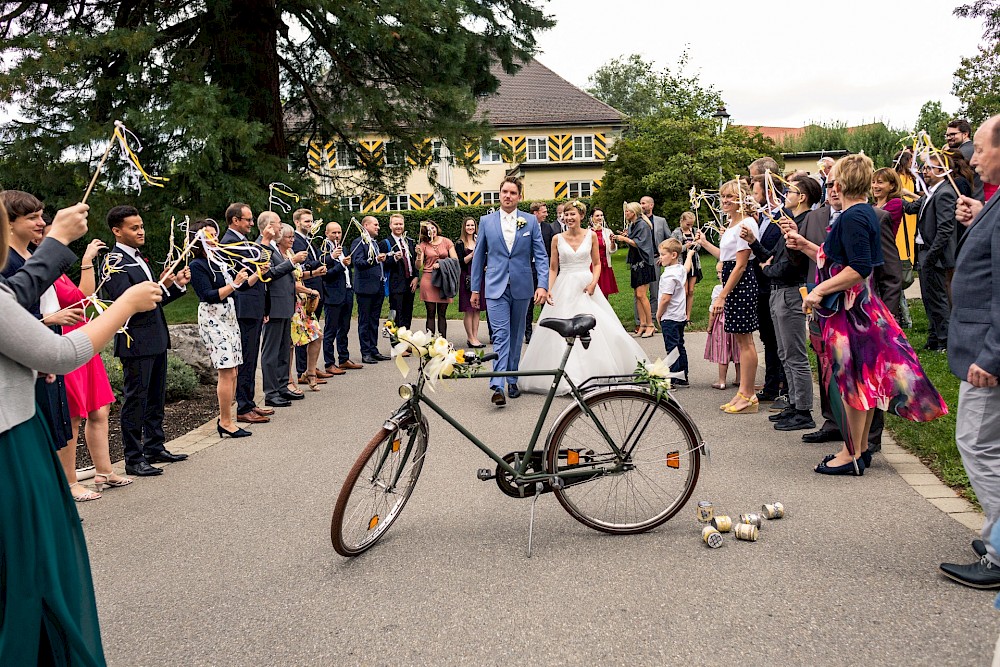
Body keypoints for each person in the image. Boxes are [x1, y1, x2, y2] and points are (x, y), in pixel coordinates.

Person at [0, 197, 163, 663]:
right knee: (33, 566)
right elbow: (58, 352)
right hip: (10, 443)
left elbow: (18, 301)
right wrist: (126, 306)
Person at [787, 154, 947, 475]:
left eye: (833, 180)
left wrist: (819, 291)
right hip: (858, 309)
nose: (830, 185)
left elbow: (859, 268)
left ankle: (851, 454)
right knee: (860, 383)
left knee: (851, 384)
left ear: (843, 183)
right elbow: (837, 257)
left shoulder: (853, 216)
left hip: (851, 313)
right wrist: (805, 244)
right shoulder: (859, 213)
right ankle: (857, 450)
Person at [940, 114, 1000, 588]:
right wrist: (980, 216)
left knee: (977, 444)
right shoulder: (995, 203)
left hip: (988, 355)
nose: (972, 159)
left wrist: (993, 356)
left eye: (979, 149)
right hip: (983, 346)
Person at [518, 200, 645, 395]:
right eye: (566, 215)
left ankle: (596, 372)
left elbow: (597, 264)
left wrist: (594, 282)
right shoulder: (557, 239)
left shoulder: (591, 236)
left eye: (572, 214)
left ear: (581, 216)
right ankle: (567, 376)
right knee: (559, 332)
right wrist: (548, 288)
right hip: (564, 284)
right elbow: (553, 267)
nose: (568, 218)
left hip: (586, 286)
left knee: (598, 328)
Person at [102, 205, 192, 477]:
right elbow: (125, 302)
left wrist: (174, 285)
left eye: (141, 226)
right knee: (136, 400)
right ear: (117, 231)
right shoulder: (114, 262)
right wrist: (157, 289)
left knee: (155, 397)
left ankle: (155, 445)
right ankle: (133, 457)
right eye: (134, 227)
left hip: (155, 338)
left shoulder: (141, 258)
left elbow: (154, 302)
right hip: (135, 341)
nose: (141, 231)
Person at [1, 191, 80, 495]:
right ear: (7, 223)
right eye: (32, 217)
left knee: (53, 433)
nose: (41, 222)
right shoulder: (6, 264)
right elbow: (10, 317)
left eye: (42, 215)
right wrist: (48, 323)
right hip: (25, 359)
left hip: (43, 355)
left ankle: (54, 493)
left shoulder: (31, 258)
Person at [742, 176, 816, 432]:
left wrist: (768, 269)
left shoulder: (805, 223)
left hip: (791, 291)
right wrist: (753, 241)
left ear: (803, 196)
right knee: (785, 353)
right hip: (777, 292)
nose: (786, 194)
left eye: (791, 190)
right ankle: (794, 404)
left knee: (795, 355)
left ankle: (803, 409)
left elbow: (791, 264)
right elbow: (770, 255)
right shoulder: (790, 221)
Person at [470, 176, 548, 406]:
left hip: (522, 285)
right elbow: (478, 257)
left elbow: (541, 256)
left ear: (519, 197)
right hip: (495, 286)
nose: (508, 196)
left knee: (516, 336)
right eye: (504, 191)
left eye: (513, 193)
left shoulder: (530, 222)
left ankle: (512, 378)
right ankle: (498, 385)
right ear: (500, 193)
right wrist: (475, 288)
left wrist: (542, 285)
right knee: (501, 335)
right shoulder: (486, 221)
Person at [694, 179, 760, 415]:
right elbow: (726, 256)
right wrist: (705, 244)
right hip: (733, 282)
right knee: (741, 341)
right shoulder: (733, 223)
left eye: (730, 197)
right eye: (723, 196)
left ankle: (748, 394)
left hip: (740, 284)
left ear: (742, 199)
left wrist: (722, 295)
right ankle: (743, 391)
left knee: (745, 342)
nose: (725, 201)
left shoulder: (747, 224)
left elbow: (740, 265)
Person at [187, 219, 252, 438]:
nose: (215, 238)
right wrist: (234, 283)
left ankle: (228, 418)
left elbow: (237, 288)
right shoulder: (197, 265)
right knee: (226, 370)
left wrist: (251, 275)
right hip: (213, 318)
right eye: (209, 235)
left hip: (229, 315)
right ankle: (225, 421)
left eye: (215, 234)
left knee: (233, 369)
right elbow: (208, 295)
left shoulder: (219, 260)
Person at [221, 202, 272, 425]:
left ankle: (249, 402)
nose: (252, 223)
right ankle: (242, 406)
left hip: (254, 306)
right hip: (244, 306)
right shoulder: (229, 243)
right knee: (246, 358)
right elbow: (240, 277)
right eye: (248, 220)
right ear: (235, 220)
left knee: (251, 358)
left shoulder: (241, 241)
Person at [903, 153, 958, 352]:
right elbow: (910, 208)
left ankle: (945, 340)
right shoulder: (930, 192)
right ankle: (934, 337)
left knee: (938, 298)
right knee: (928, 297)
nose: (924, 172)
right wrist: (894, 193)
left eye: (929, 168)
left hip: (935, 255)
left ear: (942, 171)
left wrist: (931, 256)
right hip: (924, 251)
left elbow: (945, 230)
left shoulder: (944, 193)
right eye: (924, 168)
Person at [260, 219, 307, 406]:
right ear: (268, 226)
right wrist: (292, 262)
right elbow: (268, 274)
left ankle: (281, 387)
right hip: (273, 306)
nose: (281, 226)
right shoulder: (263, 247)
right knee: (271, 352)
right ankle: (270, 393)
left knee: (283, 350)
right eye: (278, 223)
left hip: (285, 305)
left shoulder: (276, 248)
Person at [291, 208, 329, 385]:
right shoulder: (296, 241)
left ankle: (310, 368)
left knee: (312, 331)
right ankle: (302, 370)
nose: (310, 224)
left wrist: (318, 268)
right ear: (297, 222)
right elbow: (303, 264)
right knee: (303, 333)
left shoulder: (310, 240)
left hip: (315, 287)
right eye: (306, 221)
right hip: (305, 290)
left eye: (311, 221)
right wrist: (315, 267)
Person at [320, 221, 359, 374]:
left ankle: (343, 358)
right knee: (331, 330)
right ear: (326, 234)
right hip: (333, 295)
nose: (337, 235)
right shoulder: (323, 252)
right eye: (333, 233)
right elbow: (326, 275)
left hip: (347, 292)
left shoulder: (344, 249)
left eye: (339, 232)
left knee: (345, 328)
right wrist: (340, 264)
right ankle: (329, 363)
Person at [288, 227, 324, 392]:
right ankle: (289, 379)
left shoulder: (290, 253)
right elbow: (289, 282)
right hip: (292, 303)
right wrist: (309, 291)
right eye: (289, 237)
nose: (292, 240)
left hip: (303, 305)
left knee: (317, 336)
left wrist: (314, 273)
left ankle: (310, 373)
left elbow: (299, 275)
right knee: (291, 343)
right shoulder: (284, 256)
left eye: (292, 237)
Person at [613, 202, 655, 338]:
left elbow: (639, 243)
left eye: (627, 211)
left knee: (642, 295)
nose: (625, 214)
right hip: (636, 262)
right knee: (637, 295)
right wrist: (626, 236)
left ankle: (650, 325)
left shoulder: (642, 224)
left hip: (644, 263)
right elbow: (633, 239)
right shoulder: (633, 225)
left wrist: (624, 238)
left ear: (634, 212)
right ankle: (642, 324)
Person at [351, 216, 390, 364]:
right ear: (365, 225)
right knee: (365, 321)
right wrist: (375, 260)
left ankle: (374, 349)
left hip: (378, 286)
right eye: (375, 224)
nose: (378, 227)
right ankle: (365, 352)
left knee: (374, 321)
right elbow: (358, 263)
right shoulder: (359, 242)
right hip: (365, 288)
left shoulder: (374, 243)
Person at [655, 238, 693, 388]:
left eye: (663, 254)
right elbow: (687, 268)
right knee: (679, 346)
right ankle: (683, 377)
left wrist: (658, 314)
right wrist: (689, 255)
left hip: (669, 316)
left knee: (672, 348)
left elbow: (665, 298)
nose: (660, 257)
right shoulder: (679, 270)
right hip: (680, 316)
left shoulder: (668, 276)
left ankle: (674, 378)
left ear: (674, 255)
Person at [415, 220, 457, 337]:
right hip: (429, 280)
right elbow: (418, 266)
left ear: (436, 228)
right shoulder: (423, 245)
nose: (431, 231)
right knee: (430, 313)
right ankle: (430, 342)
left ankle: (443, 342)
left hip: (444, 279)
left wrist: (441, 263)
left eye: (433, 228)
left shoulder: (447, 241)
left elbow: (455, 260)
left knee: (442, 314)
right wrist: (418, 255)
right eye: (428, 229)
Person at [704, 264, 740, 390]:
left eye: (720, 272)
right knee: (738, 350)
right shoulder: (739, 287)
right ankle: (739, 378)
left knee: (723, 351)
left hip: (722, 323)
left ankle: (722, 380)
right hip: (737, 321)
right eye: (718, 272)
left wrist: (709, 326)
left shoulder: (718, 289)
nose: (719, 275)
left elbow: (713, 310)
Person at [636, 195, 669, 330]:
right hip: (640, 261)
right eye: (640, 203)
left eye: (644, 203)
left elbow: (669, 239)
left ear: (651, 205)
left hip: (656, 259)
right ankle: (639, 321)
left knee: (654, 291)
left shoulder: (660, 221)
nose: (642, 206)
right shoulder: (636, 221)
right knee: (639, 292)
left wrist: (665, 256)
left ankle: (653, 318)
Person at [525, 201, 555, 343]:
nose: (546, 214)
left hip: (543, 269)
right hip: (528, 269)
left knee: (545, 301)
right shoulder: (524, 226)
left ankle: (545, 332)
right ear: (535, 213)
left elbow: (551, 249)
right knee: (529, 303)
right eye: (544, 211)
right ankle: (528, 333)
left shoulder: (547, 228)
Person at [382, 213, 417, 331]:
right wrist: (394, 258)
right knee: (397, 314)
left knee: (408, 314)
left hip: (410, 283)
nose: (399, 226)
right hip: (396, 283)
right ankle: (396, 345)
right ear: (390, 226)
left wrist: (416, 277)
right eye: (396, 224)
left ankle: (406, 342)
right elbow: (383, 263)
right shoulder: (386, 243)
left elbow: (413, 261)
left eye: (401, 224)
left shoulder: (409, 241)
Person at [455, 217, 483, 347]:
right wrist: (473, 254)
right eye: (468, 225)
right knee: (469, 309)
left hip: (478, 276)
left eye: (472, 225)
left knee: (477, 309)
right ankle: (470, 337)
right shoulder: (460, 243)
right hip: (467, 277)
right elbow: (460, 262)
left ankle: (475, 337)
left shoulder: (479, 240)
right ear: (464, 227)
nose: (470, 228)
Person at [671, 211, 702, 322]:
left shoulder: (694, 231)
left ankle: (688, 316)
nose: (690, 227)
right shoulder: (676, 233)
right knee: (684, 291)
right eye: (687, 224)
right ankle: (681, 315)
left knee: (691, 290)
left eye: (691, 224)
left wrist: (696, 244)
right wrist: (685, 246)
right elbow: (673, 249)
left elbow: (700, 246)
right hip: (682, 262)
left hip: (694, 262)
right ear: (682, 221)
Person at [946, 118, 983, 200]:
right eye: (947, 135)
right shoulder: (972, 149)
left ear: (965, 134)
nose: (949, 138)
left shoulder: (964, 152)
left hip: (970, 202)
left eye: (952, 134)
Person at [590, 207, 618, 297]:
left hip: (605, 264)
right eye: (597, 215)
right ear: (592, 218)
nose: (600, 217)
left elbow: (611, 250)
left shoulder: (607, 231)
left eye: (601, 215)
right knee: (593, 291)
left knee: (604, 292)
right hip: (592, 265)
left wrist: (612, 242)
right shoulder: (588, 232)